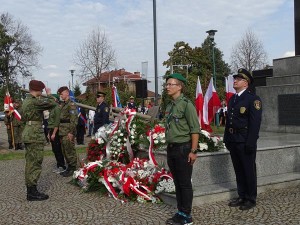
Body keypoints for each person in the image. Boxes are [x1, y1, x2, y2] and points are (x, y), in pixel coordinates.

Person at [223, 68, 262, 211]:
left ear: (245, 83)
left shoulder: (253, 99)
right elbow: (229, 121)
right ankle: (242, 195)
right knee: (238, 169)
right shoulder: (233, 99)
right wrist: (226, 138)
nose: (235, 81)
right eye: (235, 79)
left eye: (238, 79)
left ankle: (251, 198)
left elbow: (255, 123)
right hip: (233, 140)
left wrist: (251, 142)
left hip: (245, 140)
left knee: (248, 170)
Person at [164, 73, 200, 225]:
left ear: (179, 87)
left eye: (171, 84)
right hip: (171, 148)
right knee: (177, 183)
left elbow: (195, 129)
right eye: (167, 84)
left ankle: (187, 216)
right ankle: (180, 212)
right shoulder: (170, 105)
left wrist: (193, 151)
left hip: (183, 149)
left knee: (184, 183)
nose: (167, 87)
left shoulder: (187, 105)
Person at [21, 80, 57, 201]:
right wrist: (49, 94)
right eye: (41, 91)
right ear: (38, 90)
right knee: (35, 162)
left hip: (29, 133)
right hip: (34, 135)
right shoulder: (34, 101)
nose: (42, 92)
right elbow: (53, 103)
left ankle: (30, 189)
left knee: (30, 163)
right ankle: (32, 192)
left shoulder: (26, 101)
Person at [57, 86, 78, 177]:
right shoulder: (64, 104)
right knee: (65, 150)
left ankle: (73, 168)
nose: (60, 96)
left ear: (67, 93)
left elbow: (74, 120)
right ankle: (69, 167)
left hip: (68, 131)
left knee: (70, 150)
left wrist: (71, 132)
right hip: (62, 131)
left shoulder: (71, 104)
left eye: (62, 94)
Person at [47, 98, 66, 174]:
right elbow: (50, 122)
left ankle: (62, 165)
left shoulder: (57, 108)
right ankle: (59, 165)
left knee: (58, 149)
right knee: (54, 149)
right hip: (51, 129)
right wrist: (49, 133)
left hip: (56, 130)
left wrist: (54, 133)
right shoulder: (52, 109)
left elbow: (57, 122)